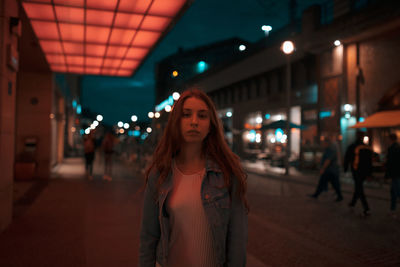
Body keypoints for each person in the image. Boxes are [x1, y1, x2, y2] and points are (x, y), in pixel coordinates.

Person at [139, 89, 248, 267]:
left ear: (211, 124)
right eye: (186, 115)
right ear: (176, 121)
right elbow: (148, 237)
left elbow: (238, 240)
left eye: (202, 116)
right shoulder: (161, 173)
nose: (194, 122)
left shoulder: (228, 174)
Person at [344, 132, 373, 216]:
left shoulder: (353, 147)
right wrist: (370, 173)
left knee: (359, 188)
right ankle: (352, 204)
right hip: (365, 171)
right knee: (358, 187)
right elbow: (370, 162)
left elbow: (347, 158)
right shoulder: (367, 148)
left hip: (356, 170)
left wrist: (345, 169)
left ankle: (366, 208)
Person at [309, 136, 343, 201]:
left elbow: (328, 160)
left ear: (327, 142)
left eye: (324, 143)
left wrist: (323, 168)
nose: (323, 144)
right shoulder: (329, 149)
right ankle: (316, 194)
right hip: (331, 170)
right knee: (330, 183)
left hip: (330, 170)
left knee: (328, 183)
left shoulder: (330, 149)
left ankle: (316, 194)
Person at [385, 133, 400, 218]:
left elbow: (390, 163)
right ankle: (392, 210)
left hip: (395, 173)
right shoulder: (398, 147)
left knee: (396, 192)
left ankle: (392, 210)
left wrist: (387, 175)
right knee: (393, 192)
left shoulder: (392, 149)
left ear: (390, 139)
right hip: (397, 173)